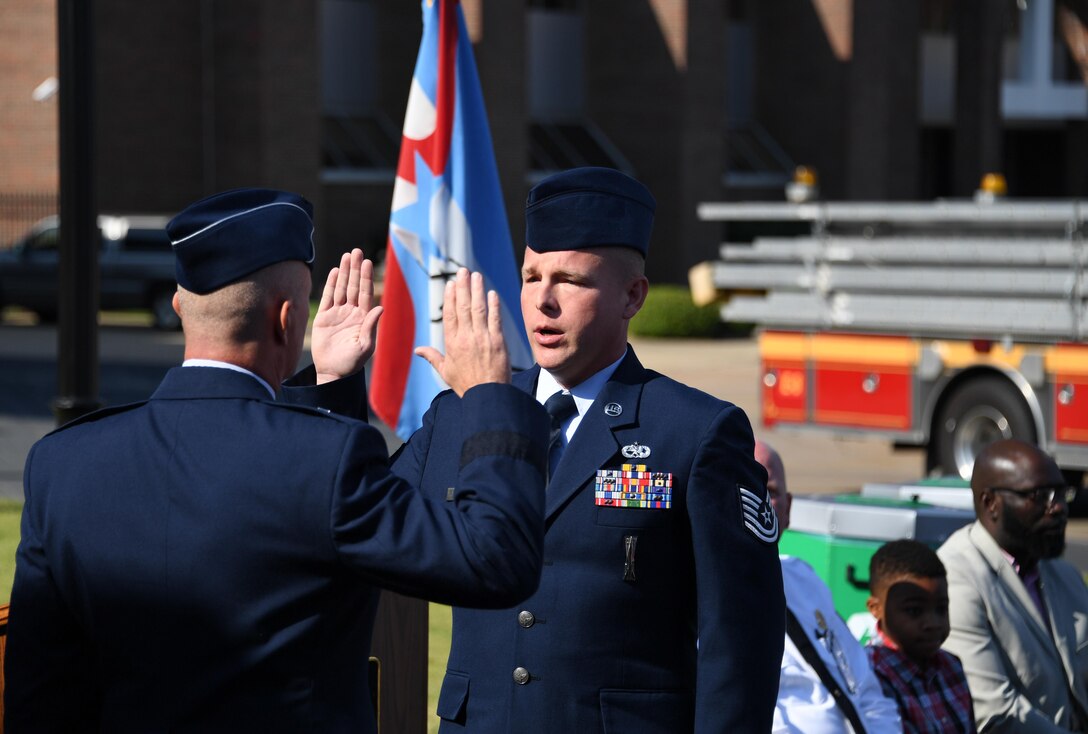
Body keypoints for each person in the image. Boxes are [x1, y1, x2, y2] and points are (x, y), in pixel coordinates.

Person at [3, 188, 549, 733]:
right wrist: (488, 396)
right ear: (287, 320)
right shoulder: (326, 459)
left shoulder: (61, 462)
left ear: (179, 306)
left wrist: (332, 384)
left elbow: (38, 692)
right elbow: (494, 560)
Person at [286, 167, 785, 732]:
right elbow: (358, 523)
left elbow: (740, 640)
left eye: (570, 281)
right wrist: (333, 383)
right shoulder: (464, 412)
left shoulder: (696, 430)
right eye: (530, 277)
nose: (543, 302)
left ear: (632, 296)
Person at [938, 438, 1088, 732]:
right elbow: (996, 713)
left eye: (1061, 493)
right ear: (990, 502)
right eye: (1038, 495)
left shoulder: (1062, 573)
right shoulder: (956, 578)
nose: (1057, 507)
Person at [757, 439, 901, 734]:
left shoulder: (803, 578)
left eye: (770, 491)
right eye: (746, 488)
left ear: (788, 507)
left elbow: (865, 690)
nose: (758, 502)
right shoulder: (700, 607)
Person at [865, 539, 975, 733]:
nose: (933, 623)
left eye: (941, 609)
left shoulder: (951, 667)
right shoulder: (869, 676)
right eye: (914, 611)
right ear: (876, 608)